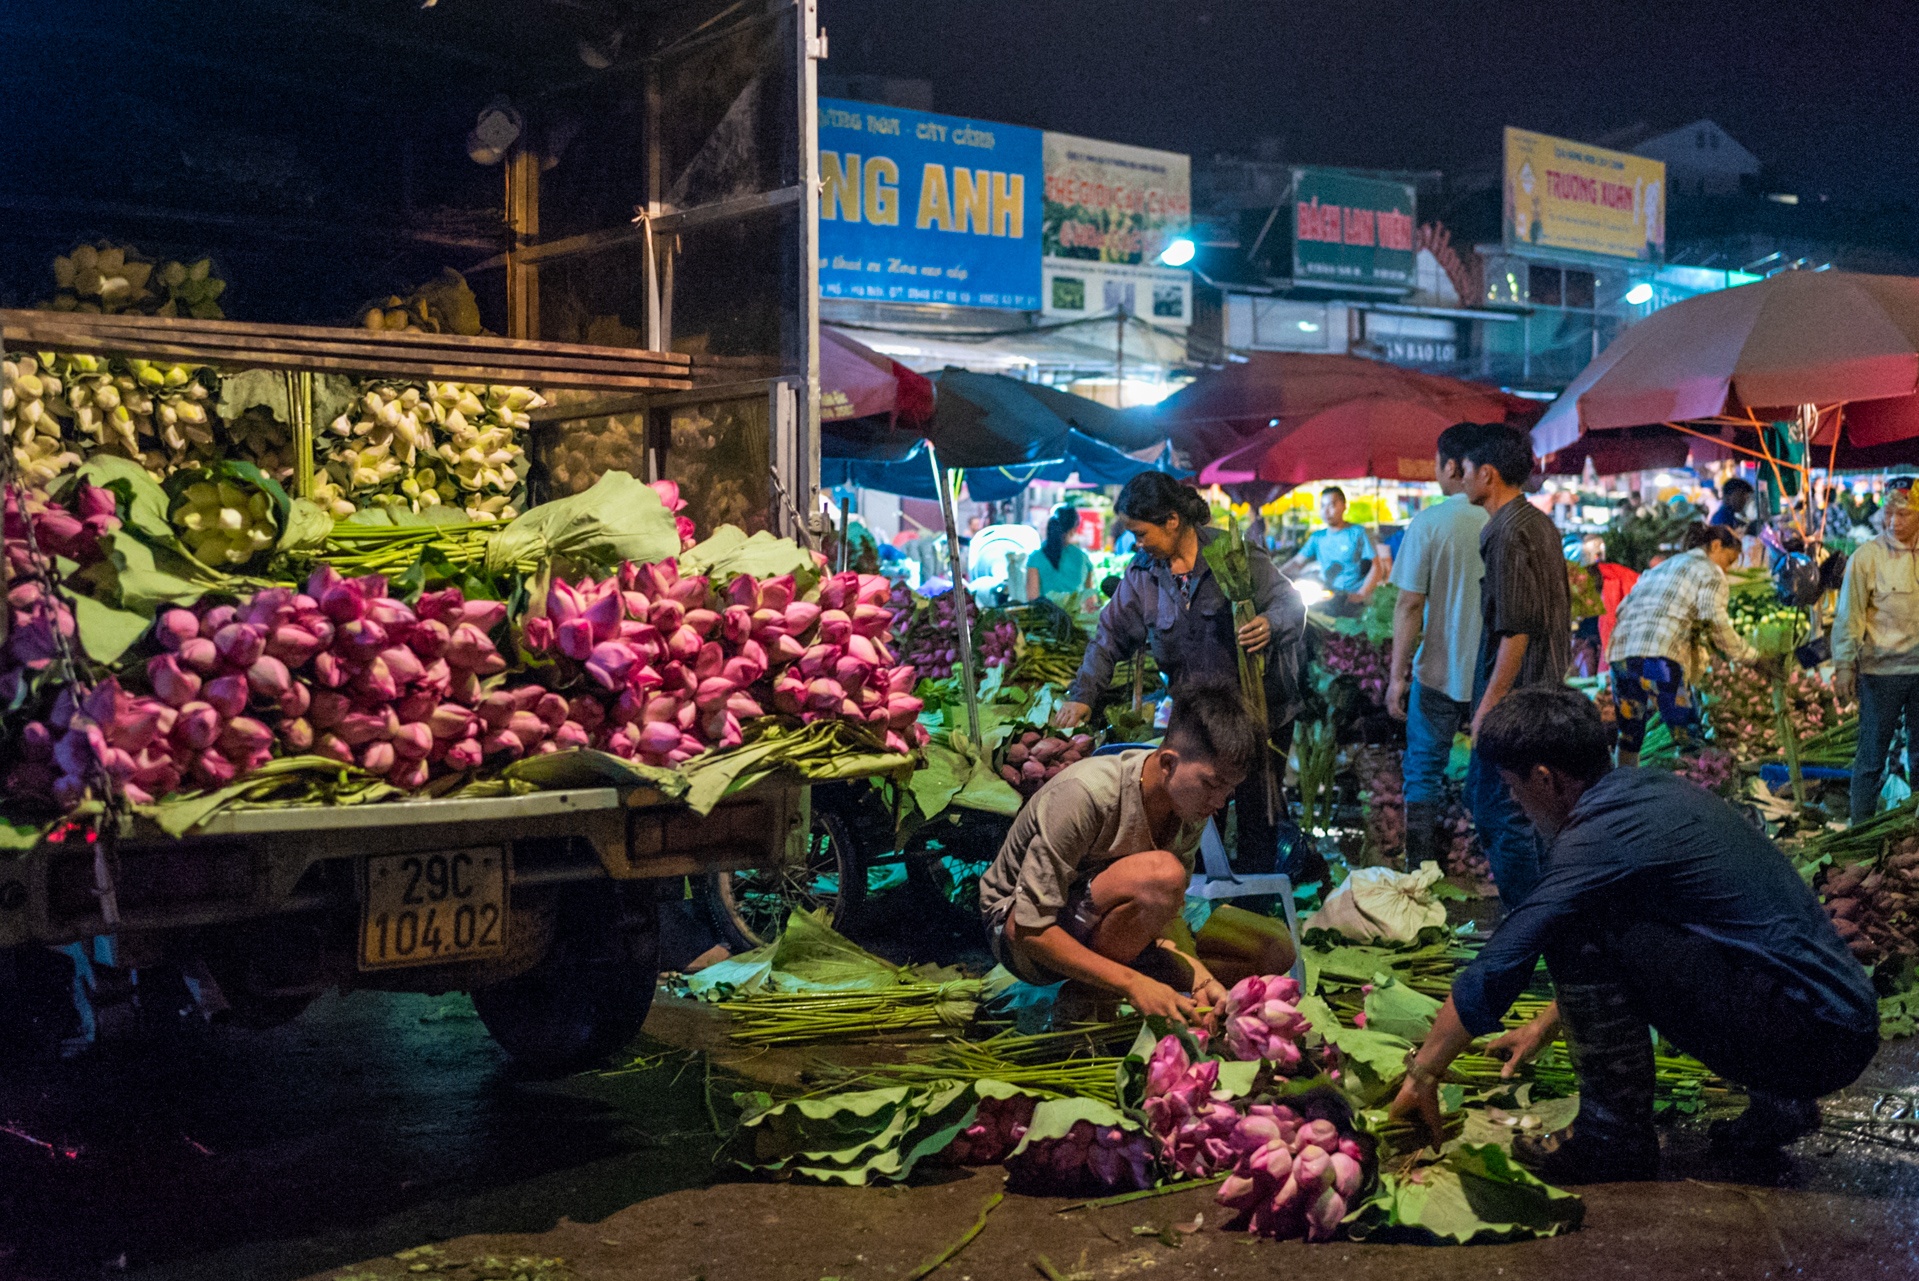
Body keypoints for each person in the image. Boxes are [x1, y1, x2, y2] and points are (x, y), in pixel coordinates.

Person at [1388, 687, 1878, 1182]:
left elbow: (1506, 957)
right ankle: (1781, 1102)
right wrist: (1545, 1024)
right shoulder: (1646, 791)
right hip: (1836, 1023)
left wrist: (1425, 1069)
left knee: (1569, 924)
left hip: (1810, 1039)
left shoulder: (1596, 838)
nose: (1513, 800)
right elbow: (1677, 947)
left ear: (1544, 778)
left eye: (1512, 786)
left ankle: (1611, 1137)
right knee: (1598, 913)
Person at [979, 683, 1289, 1023]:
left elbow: (1166, 912)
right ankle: (1086, 999)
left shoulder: (1190, 805)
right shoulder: (1086, 794)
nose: (1219, 803)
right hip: (1024, 938)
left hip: (1114, 927)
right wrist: (1132, 984)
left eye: (1229, 791)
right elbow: (1024, 929)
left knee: (1274, 948)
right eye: (1212, 785)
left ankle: (1108, 987)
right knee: (1163, 875)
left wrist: (1200, 979)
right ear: (1169, 763)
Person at [1057, 473, 1306, 873]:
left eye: (1141, 533)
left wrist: (1270, 622)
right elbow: (1108, 638)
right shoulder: (1143, 576)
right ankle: (1203, 911)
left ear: (1172, 520)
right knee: (1199, 818)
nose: (1138, 544)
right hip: (1201, 721)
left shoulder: (1233, 554)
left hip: (1260, 714)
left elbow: (1289, 602)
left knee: (1258, 817)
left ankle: (1256, 914)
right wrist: (1082, 695)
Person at [1461, 425, 1570, 910]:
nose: (1461, 479)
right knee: (1523, 812)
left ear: (1487, 473)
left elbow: (1517, 629)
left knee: (1498, 809)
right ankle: (1547, 921)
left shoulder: (1506, 531)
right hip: (1542, 690)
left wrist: (1489, 706)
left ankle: (1528, 925)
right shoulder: (1538, 523)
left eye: (1465, 471)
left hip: (1518, 699)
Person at [1385, 422, 1490, 870]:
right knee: (1493, 771)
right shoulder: (1503, 519)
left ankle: (1420, 871)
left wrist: (1396, 676)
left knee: (1423, 770)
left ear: (1451, 465)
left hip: (1437, 670)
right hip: (1493, 672)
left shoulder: (1429, 522)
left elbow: (1409, 605)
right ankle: (1490, 863)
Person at [1606, 523, 1764, 767]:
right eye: (1729, 561)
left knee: (1629, 736)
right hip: (1660, 657)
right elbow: (1717, 623)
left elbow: (1623, 608)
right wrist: (1753, 658)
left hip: (1621, 654)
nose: (1727, 569)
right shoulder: (1709, 571)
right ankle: (1700, 787)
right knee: (1687, 737)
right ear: (1715, 546)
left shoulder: (1664, 567)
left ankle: (1624, 790)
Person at [1833, 477, 1919, 825]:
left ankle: (1913, 831)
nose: (1894, 522)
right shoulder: (1866, 557)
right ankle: (1859, 830)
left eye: (1904, 515)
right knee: (1871, 757)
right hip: (1881, 674)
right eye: (1889, 514)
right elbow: (1848, 616)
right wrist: (1843, 666)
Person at [1281, 487, 1383, 614]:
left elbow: (1377, 567)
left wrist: (1361, 594)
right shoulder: (1317, 537)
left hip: (1353, 601)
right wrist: (1277, 574)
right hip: (1327, 598)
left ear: (1344, 506)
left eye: (1332, 505)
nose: (1326, 511)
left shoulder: (1358, 533)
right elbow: (1297, 562)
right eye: (1323, 506)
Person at [1027, 504, 1094, 602]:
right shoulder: (1083, 558)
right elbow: (1090, 600)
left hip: (1046, 616)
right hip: (1076, 616)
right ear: (1073, 529)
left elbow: (1033, 598)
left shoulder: (1036, 558)